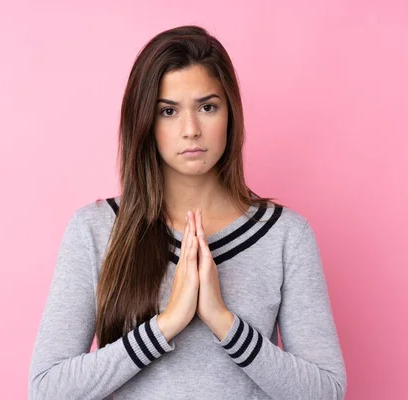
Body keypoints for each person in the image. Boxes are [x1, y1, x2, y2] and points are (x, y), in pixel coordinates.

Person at [28, 25, 346, 400]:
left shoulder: (285, 235)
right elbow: (47, 389)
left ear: (230, 114)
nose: (191, 130)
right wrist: (165, 325)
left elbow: (326, 391)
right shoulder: (96, 229)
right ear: (145, 121)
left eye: (207, 107)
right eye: (168, 111)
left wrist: (224, 322)